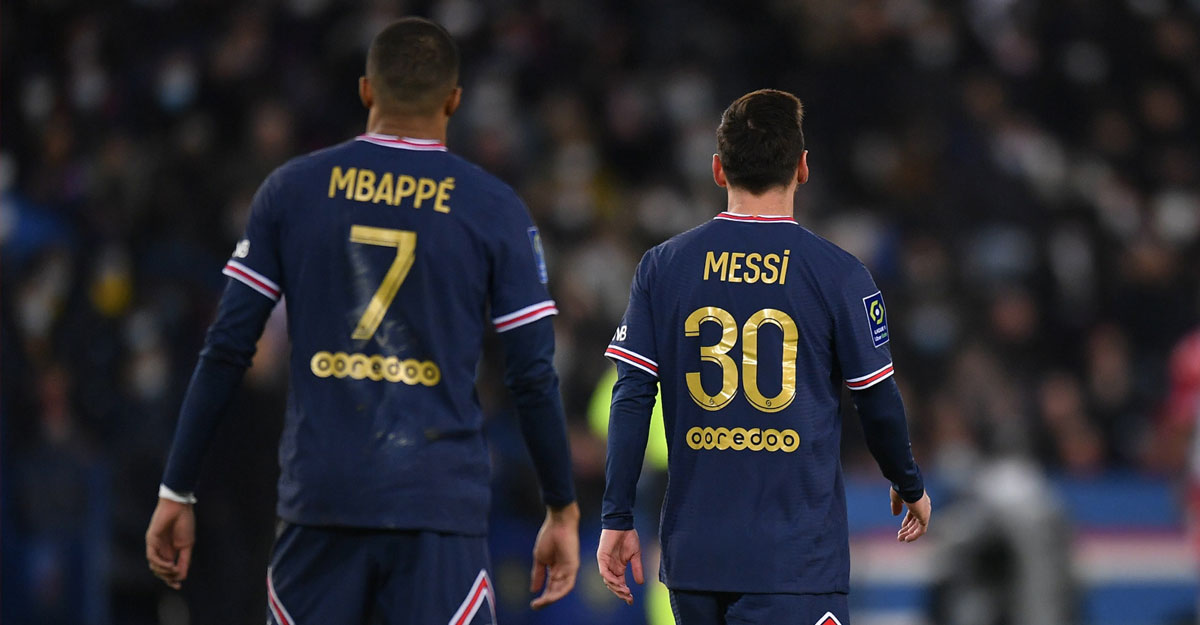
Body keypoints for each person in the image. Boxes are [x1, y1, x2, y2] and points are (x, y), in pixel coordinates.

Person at [145, 17, 580, 625]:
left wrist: (177, 488)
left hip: (323, 502)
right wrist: (561, 506)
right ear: (453, 101)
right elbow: (531, 374)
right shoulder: (494, 208)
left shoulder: (292, 191)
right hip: (436, 506)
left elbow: (226, 348)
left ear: (366, 90)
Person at [596, 89, 931, 625]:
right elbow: (876, 399)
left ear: (718, 169)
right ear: (802, 168)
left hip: (695, 559)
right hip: (795, 561)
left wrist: (616, 516)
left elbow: (632, 396)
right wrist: (907, 482)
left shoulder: (662, 268)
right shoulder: (839, 275)